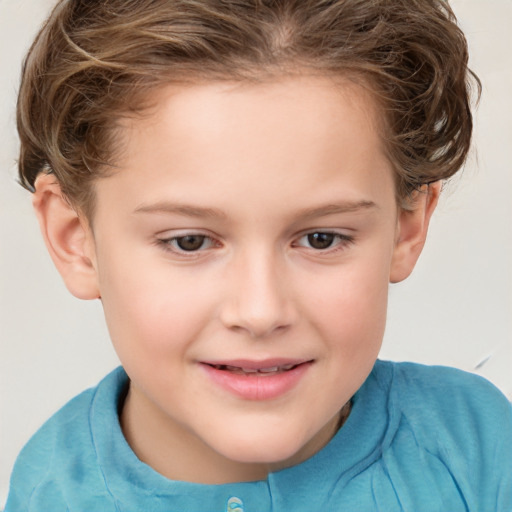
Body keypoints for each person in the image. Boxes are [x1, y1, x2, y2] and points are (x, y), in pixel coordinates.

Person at [5, 0, 512, 510]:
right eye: (189, 241)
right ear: (76, 238)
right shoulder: (51, 494)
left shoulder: (479, 450)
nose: (261, 311)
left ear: (407, 226)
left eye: (322, 238)